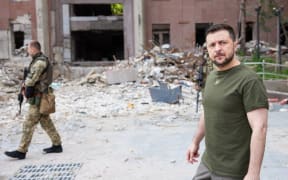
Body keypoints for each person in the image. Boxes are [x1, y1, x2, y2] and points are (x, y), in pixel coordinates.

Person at [186, 24, 269, 180]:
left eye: (222, 43)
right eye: (212, 45)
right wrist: (195, 142)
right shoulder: (211, 76)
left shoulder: (249, 80)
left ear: (235, 44)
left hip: (233, 171)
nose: (217, 48)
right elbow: (207, 111)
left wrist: (253, 173)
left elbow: (260, 128)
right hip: (208, 162)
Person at [4, 40, 63, 160]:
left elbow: (31, 80)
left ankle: (21, 150)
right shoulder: (37, 60)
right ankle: (57, 144)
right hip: (39, 96)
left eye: (28, 48)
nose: (27, 50)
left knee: (28, 123)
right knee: (45, 121)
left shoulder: (39, 62)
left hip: (39, 98)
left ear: (34, 49)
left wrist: (25, 88)